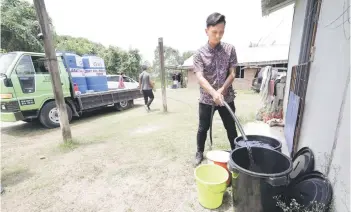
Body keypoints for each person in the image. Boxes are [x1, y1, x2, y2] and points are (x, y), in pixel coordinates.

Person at [193, 12, 238, 166]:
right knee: (202, 128)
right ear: (206, 31)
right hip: (206, 99)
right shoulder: (199, 54)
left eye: (221, 32)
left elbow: (233, 72)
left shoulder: (230, 49)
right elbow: (199, 77)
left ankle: (237, 152)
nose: (218, 36)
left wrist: (222, 90)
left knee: (231, 127)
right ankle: (199, 152)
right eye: (214, 32)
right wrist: (213, 93)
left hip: (227, 98)